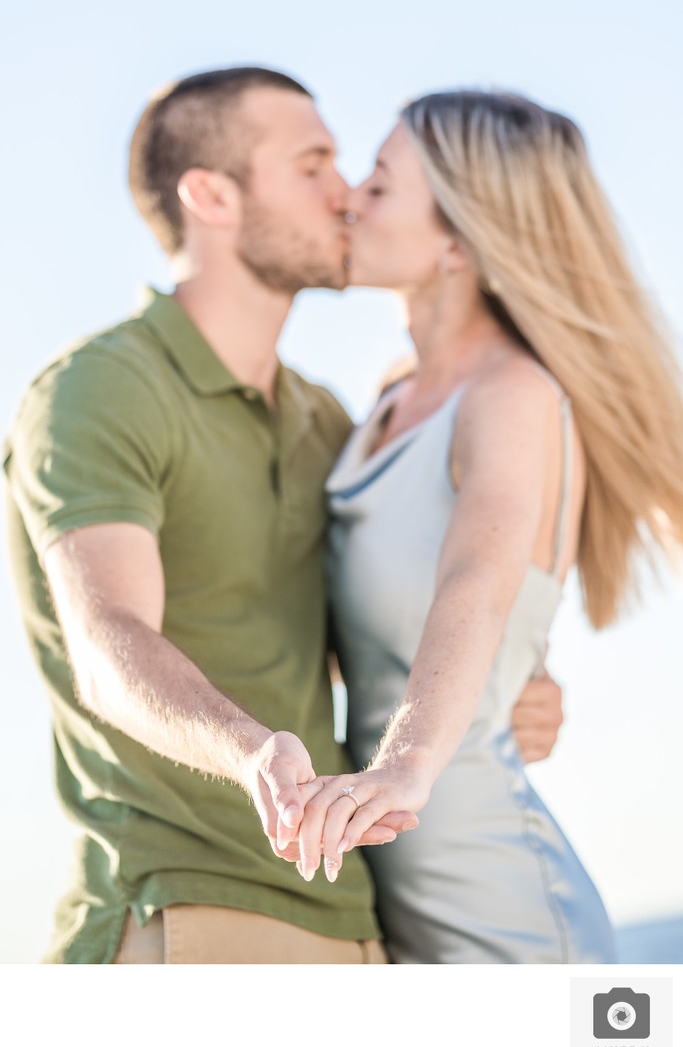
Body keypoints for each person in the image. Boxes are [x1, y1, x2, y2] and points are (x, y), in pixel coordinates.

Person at [3, 69, 562, 965]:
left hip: (348, 911)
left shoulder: (327, 421)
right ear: (211, 195)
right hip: (186, 899)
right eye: (312, 165)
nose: (344, 193)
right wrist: (249, 750)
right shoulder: (100, 388)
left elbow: (376, 623)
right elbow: (106, 645)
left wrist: (511, 687)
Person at [283, 89, 683, 964]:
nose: (350, 195)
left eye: (380, 186)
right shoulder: (388, 400)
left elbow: (475, 581)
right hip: (391, 897)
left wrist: (404, 763)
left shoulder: (510, 396)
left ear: (458, 240)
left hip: (502, 911)